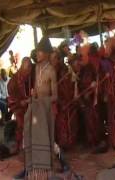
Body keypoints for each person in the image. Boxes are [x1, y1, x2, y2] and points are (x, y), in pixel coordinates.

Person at [21, 36, 68, 179]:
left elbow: (55, 96)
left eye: (40, 52)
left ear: (47, 53)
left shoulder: (51, 71)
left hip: (45, 110)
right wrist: (32, 97)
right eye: (37, 52)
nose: (38, 54)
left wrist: (42, 101)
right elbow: (36, 90)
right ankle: (33, 169)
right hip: (35, 108)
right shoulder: (36, 69)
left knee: (47, 139)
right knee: (29, 133)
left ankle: (53, 167)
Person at [51, 51, 79, 150]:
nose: (53, 60)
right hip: (57, 102)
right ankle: (62, 144)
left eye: (55, 58)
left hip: (67, 101)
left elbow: (72, 82)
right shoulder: (51, 71)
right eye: (52, 58)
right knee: (60, 124)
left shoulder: (66, 70)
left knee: (69, 123)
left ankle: (69, 143)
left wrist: (73, 95)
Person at [7, 58, 33, 152]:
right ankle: (20, 146)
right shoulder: (13, 82)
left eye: (29, 70)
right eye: (26, 70)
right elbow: (11, 99)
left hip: (30, 106)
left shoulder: (30, 76)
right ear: (22, 67)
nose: (28, 72)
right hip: (19, 108)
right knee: (21, 124)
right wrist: (22, 102)